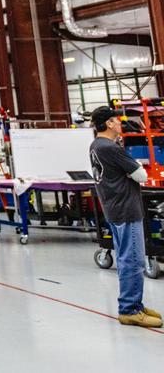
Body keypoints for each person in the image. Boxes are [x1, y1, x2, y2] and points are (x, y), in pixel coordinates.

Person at [90, 105, 159, 328]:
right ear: (109, 123)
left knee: (125, 259)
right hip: (126, 209)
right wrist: (137, 166)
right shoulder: (110, 148)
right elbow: (140, 175)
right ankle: (129, 309)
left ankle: (133, 305)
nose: (121, 123)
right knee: (133, 260)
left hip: (115, 208)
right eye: (117, 120)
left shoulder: (96, 146)